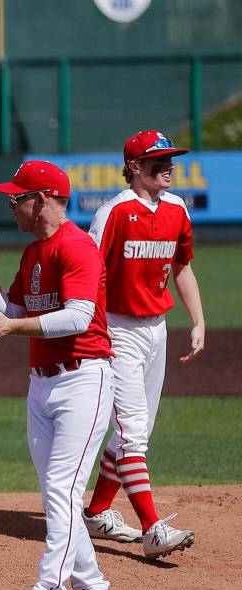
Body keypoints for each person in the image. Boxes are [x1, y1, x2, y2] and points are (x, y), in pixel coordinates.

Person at [0, 160, 117, 590]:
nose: (11, 204)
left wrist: (13, 327)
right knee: (54, 494)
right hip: (42, 383)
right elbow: (10, 307)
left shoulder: (77, 247)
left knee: (61, 489)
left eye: (17, 197)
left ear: (42, 198)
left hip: (84, 380)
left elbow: (79, 317)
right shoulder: (34, 252)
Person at [82, 130, 203, 559]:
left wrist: (198, 320)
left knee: (139, 430)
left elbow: (182, 266)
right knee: (133, 432)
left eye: (171, 159)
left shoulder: (176, 208)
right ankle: (153, 529)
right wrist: (89, 331)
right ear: (134, 166)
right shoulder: (114, 212)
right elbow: (88, 274)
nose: (168, 166)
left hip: (157, 329)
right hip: (117, 330)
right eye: (158, 160)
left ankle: (97, 511)